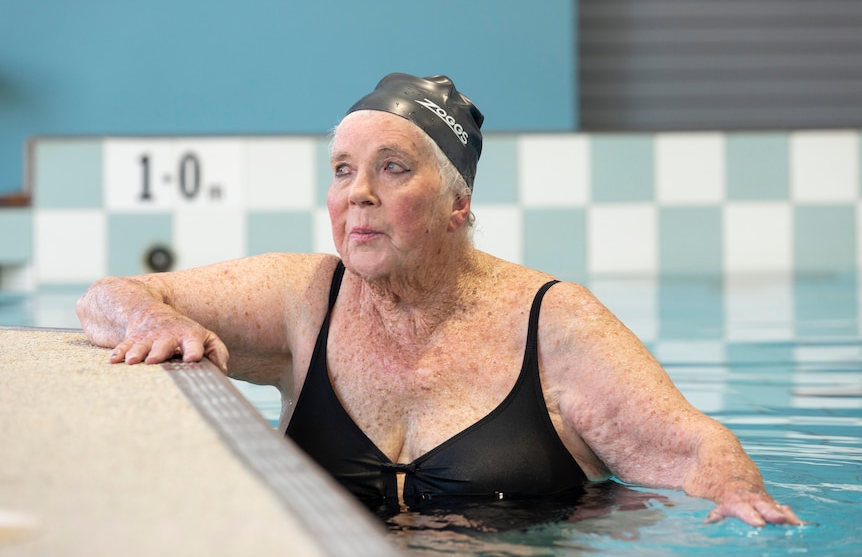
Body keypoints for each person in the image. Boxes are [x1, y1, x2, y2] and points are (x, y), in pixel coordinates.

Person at [77, 73, 801, 528]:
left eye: (392, 168)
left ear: (458, 203)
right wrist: (155, 319)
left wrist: (736, 489)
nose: (358, 191)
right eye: (342, 170)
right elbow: (112, 295)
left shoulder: (554, 323)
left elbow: (695, 445)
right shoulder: (306, 297)